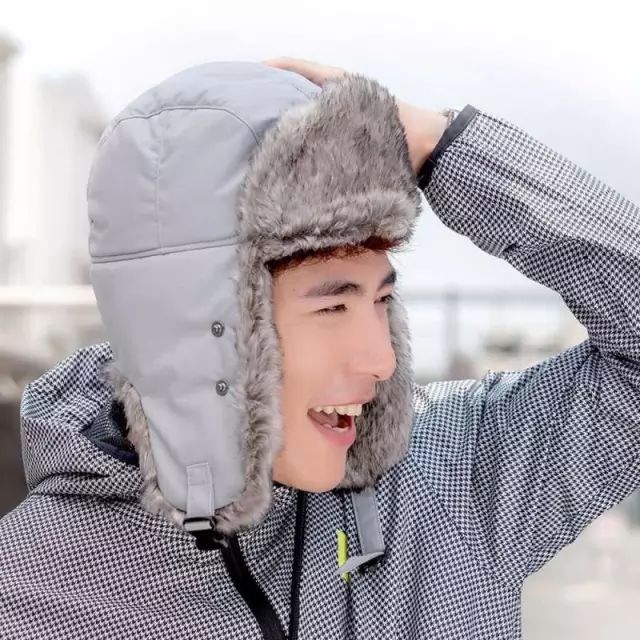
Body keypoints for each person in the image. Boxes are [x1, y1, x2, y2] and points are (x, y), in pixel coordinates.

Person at [0, 56, 638, 640]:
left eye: (382, 300)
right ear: (192, 324)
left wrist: (443, 149)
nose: (381, 360)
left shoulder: (447, 476)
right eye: (333, 306)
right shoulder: (27, 595)